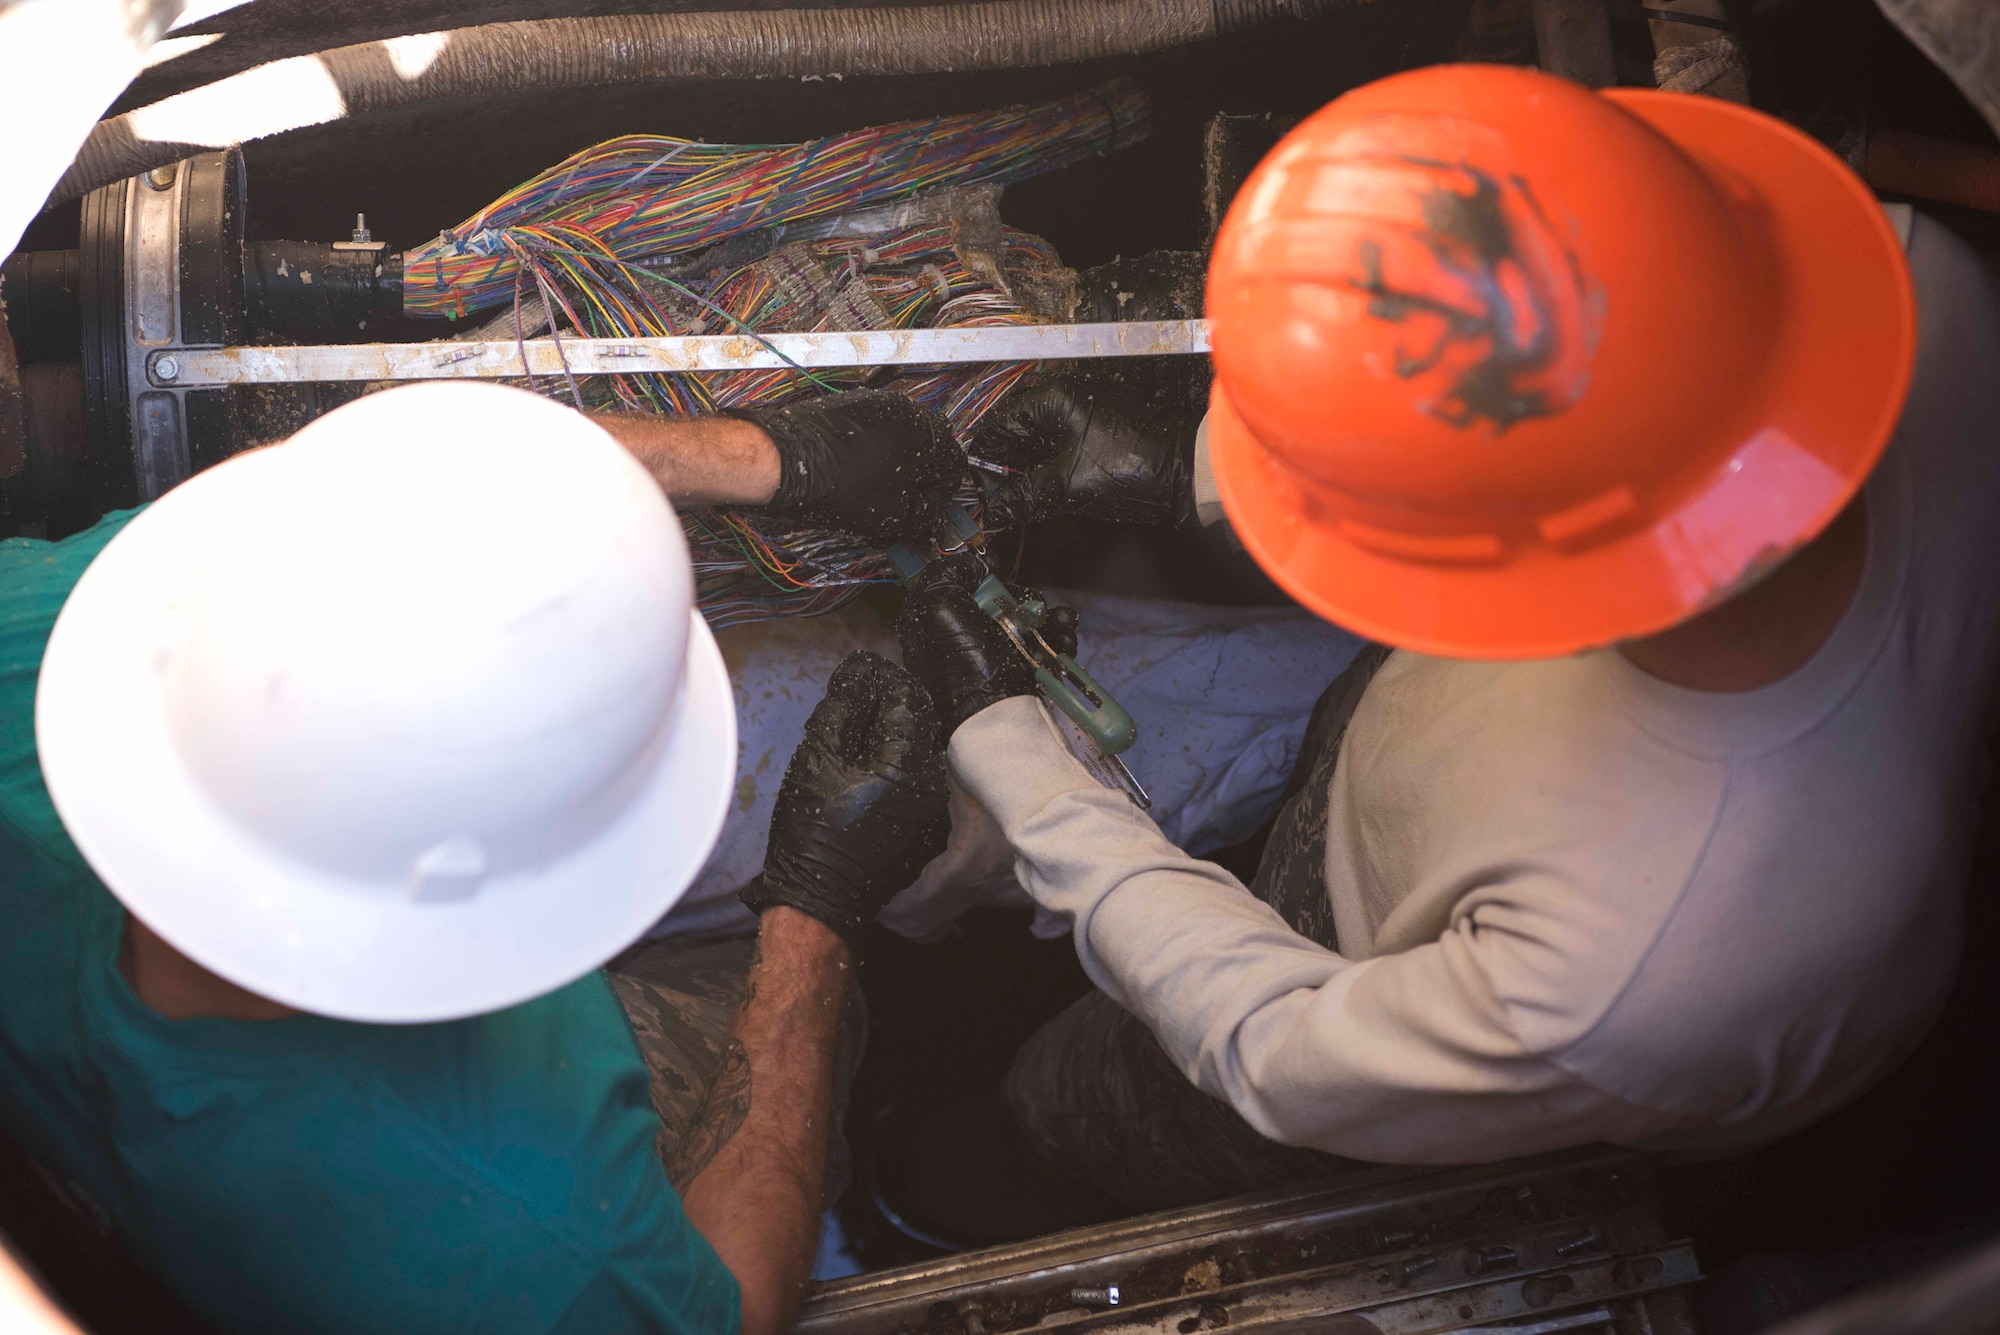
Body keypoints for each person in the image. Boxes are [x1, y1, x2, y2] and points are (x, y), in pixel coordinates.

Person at [897, 63, 2000, 1213]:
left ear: (1512, 570)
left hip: (1391, 995)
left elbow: (1271, 1046)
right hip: (1426, 778)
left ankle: (991, 1156)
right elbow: (1532, 380)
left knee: (1085, 1097)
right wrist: (1193, 467)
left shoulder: (1634, 969)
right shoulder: (1913, 292)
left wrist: (1015, 754)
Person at [0, 380, 954, 1335]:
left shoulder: (44, 621)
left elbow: (343, 497)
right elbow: (734, 1313)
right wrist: (813, 915)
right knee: (792, 998)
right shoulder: (529, 1225)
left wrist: (753, 459)